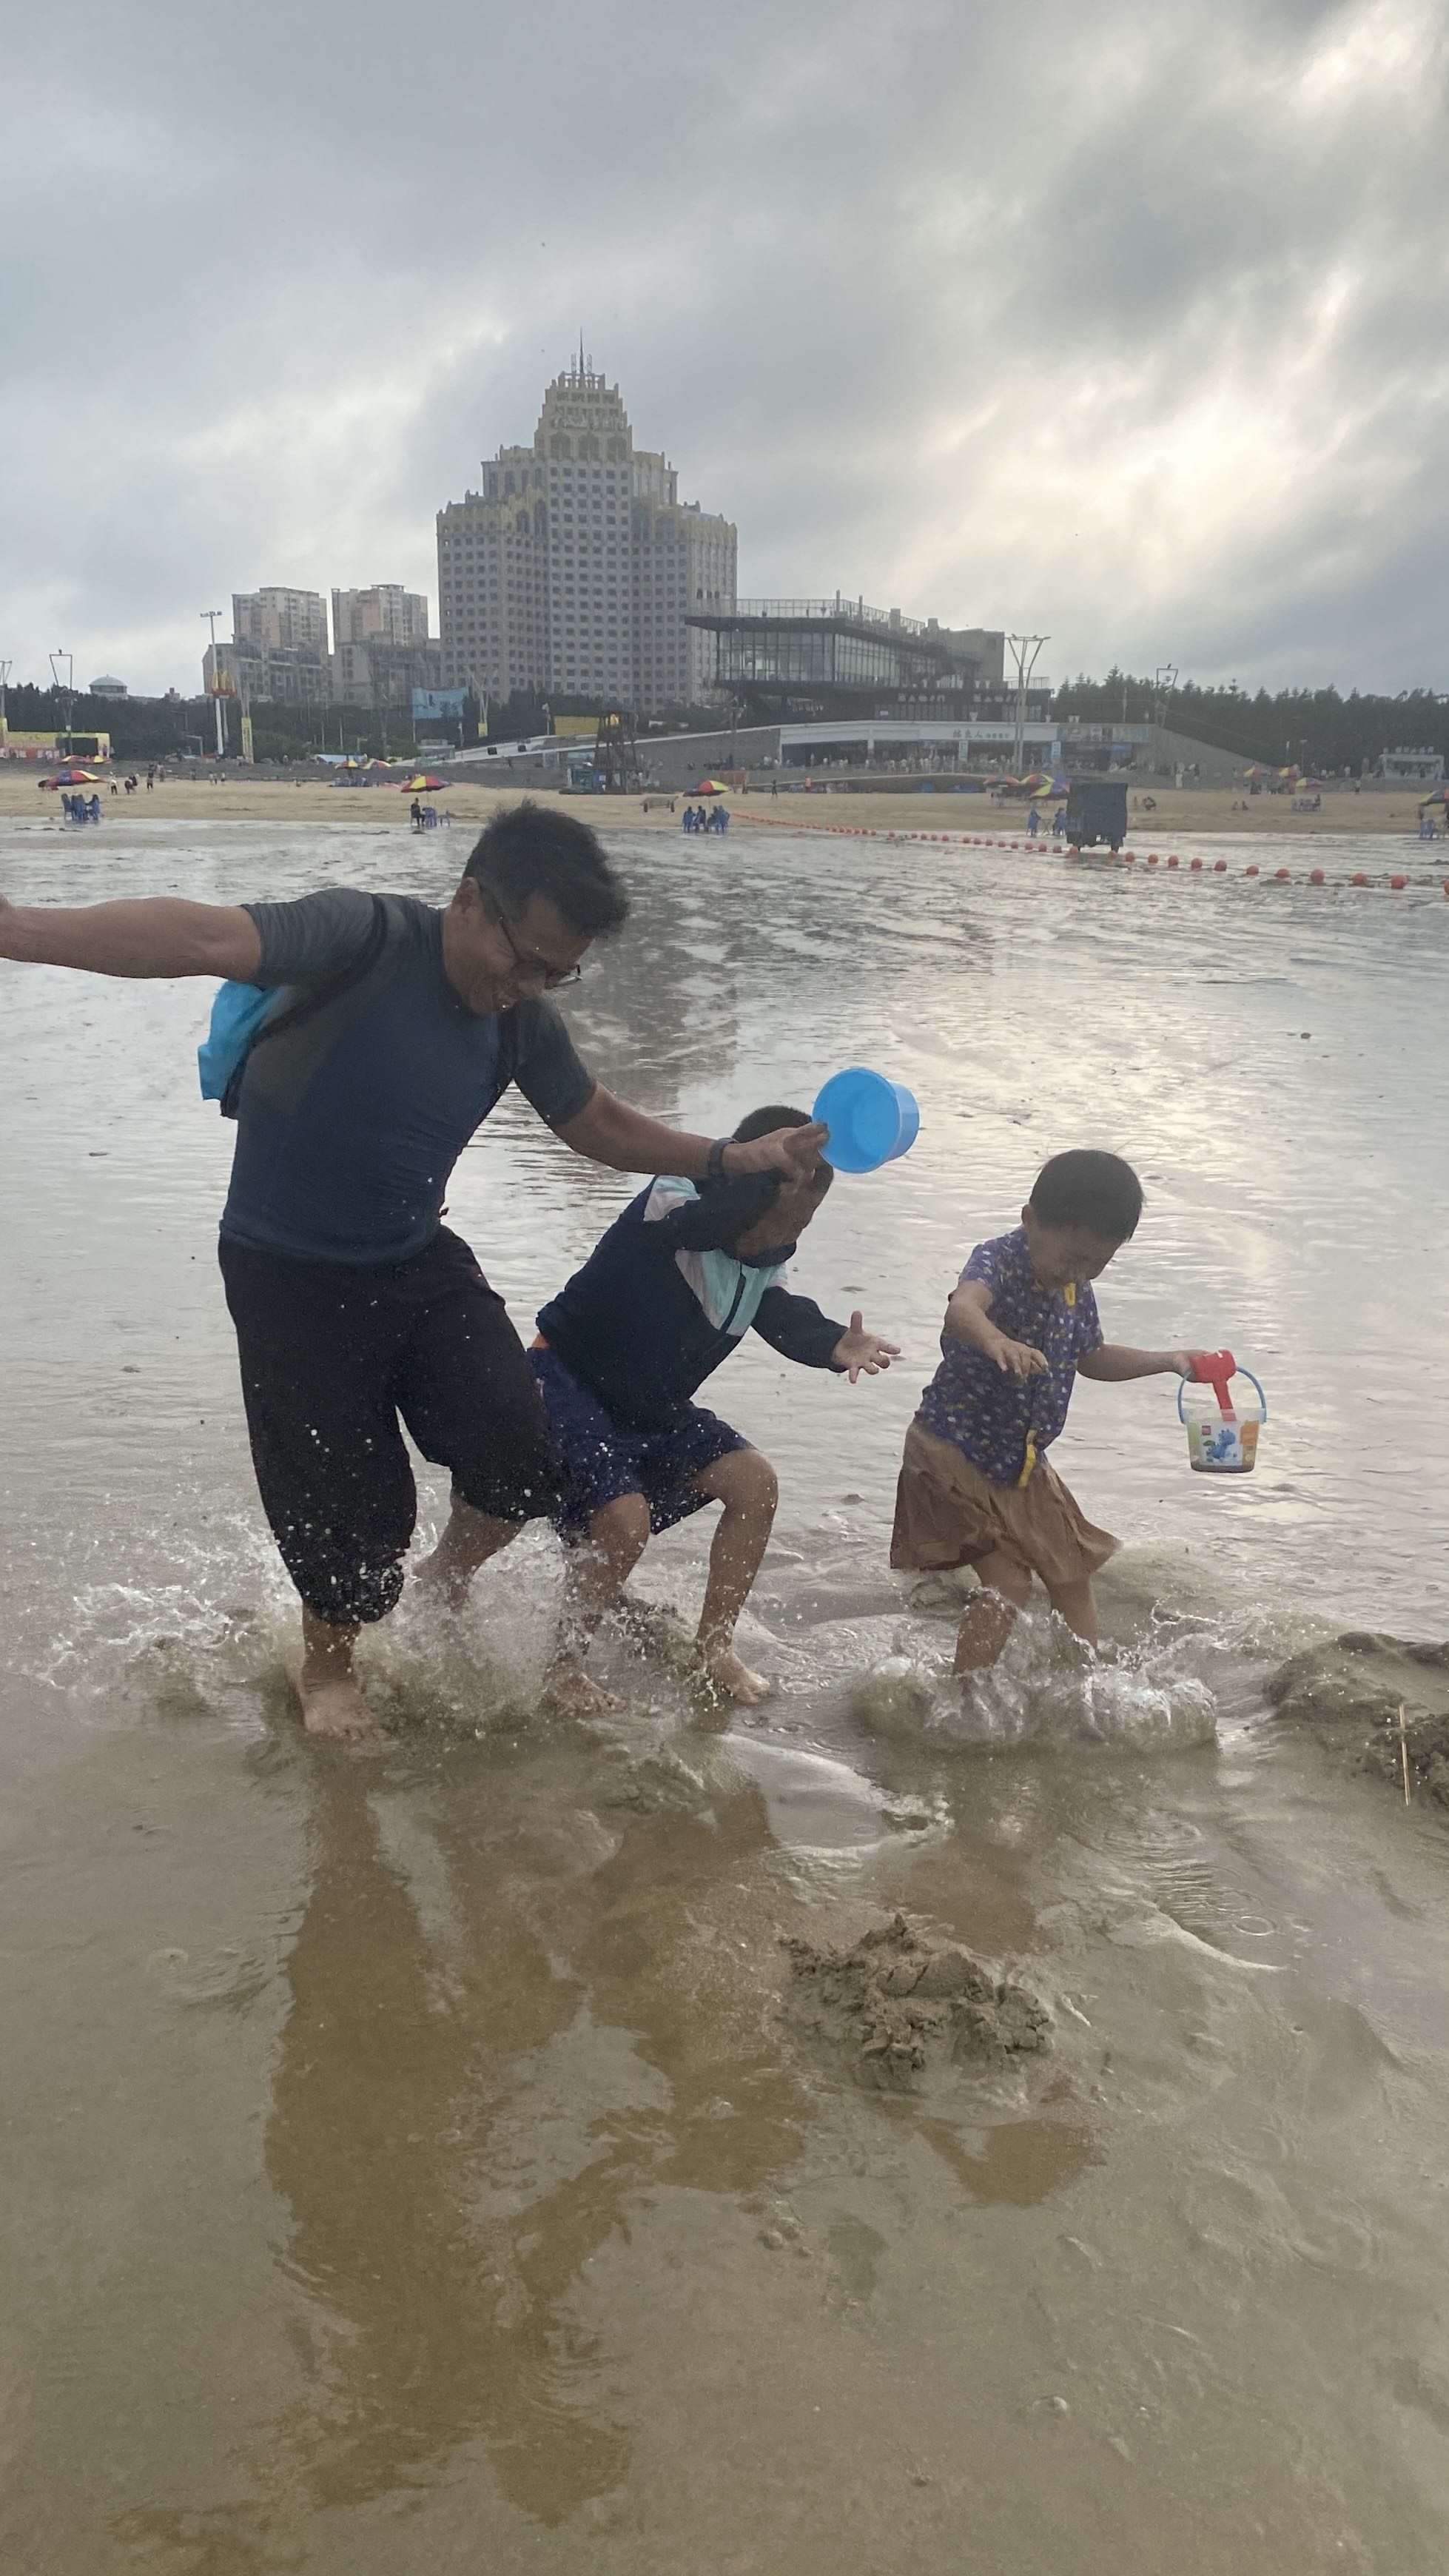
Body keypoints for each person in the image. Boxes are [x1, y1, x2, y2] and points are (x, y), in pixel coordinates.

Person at [0, 803, 826, 1745]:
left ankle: (439, 1580)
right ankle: (327, 1669)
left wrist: (727, 1157)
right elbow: (198, 936)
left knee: (519, 1454)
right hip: (286, 1271)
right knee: (347, 1505)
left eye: (556, 974)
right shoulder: (361, 937)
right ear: (469, 900)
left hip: (413, 1257)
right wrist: (16, 929)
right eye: (524, 960)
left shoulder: (519, 1024)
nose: (529, 988)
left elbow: (594, 1122)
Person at [531, 1107, 898, 1713]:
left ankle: (713, 1647)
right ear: (741, 1187)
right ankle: (563, 1671)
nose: (784, 1238)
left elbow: (783, 1315)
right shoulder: (673, 1200)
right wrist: (759, 1177)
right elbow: (702, 1226)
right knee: (625, 1521)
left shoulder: (765, 1260)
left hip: (652, 1409)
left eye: (803, 1224)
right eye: (780, 1219)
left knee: (755, 1482)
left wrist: (834, 1344)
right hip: (565, 1380)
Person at [890, 1150, 1194, 1686]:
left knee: (1071, 1573)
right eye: (1072, 1258)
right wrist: (996, 1341)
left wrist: (1168, 1361)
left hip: (1022, 1463)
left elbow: (1091, 1357)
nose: (1079, 1272)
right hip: (951, 1450)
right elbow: (962, 1309)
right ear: (1030, 1220)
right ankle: (963, 1694)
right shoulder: (997, 1260)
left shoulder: (1075, 1287)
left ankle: (1085, 1685)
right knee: (1010, 1581)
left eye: (1097, 1263)